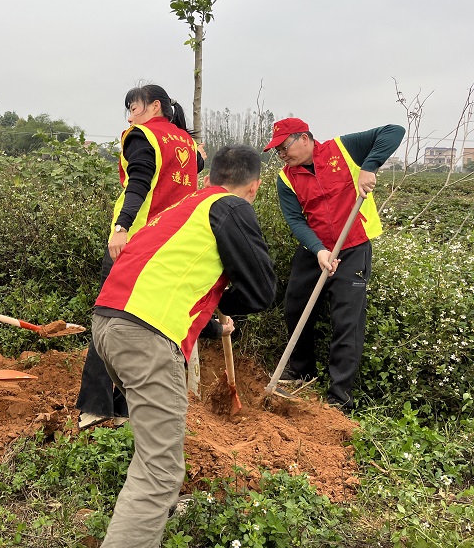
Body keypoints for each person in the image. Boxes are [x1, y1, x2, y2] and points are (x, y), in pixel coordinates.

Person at [92, 144, 276, 547]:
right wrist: (231, 302)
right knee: (160, 470)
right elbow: (262, 291)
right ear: (255, 187)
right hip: (145, 338)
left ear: (209, 178)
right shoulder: (232, 206)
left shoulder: (185, 206)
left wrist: (214, 320)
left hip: (108, 323)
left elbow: (169, 283)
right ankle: (147, 511)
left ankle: (155, 508)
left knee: (153, 441)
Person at [76, 84, 206, 430]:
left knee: (109, 320)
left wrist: (121, 227)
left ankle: (97, 405)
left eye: (134, 107)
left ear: (154, 106)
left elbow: (138, 184)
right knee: (144, 323)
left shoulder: (142, 137)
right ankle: (129, 406)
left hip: (135, 242)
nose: (130, 115)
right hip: (171, 247)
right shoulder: (187, 144)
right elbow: (198, 165)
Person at [265, 117, 405, 413]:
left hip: (353, 246)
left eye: (284, 147)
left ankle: (339, 397)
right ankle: (302, 371)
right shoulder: (286, 177)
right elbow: (295, 219)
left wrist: (370, 166)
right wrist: (317, 250)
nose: (282, 155)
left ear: (305, 138)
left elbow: (393, 131)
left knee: (347, 319)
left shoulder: (343, 149)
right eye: (277, 151)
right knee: (296, 307)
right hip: (315, 250)